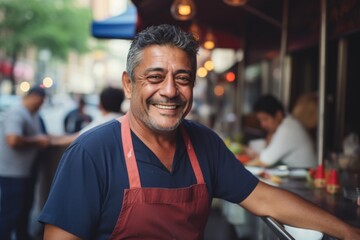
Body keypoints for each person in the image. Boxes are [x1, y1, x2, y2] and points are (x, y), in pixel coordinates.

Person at [38, 24, 360, 239]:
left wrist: (348, 232)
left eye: (182, 78)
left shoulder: (204, 144)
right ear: (128, 84)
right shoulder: (91, 153)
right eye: (155, 77)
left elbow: (265, 199)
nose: (169, 91)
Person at [0, 86, 50, 240]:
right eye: (40, 102)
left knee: (24, 209)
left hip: (25, 171)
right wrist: (37, 141)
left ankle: (22, 235)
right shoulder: (17, 113)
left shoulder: (33, 114)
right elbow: (13, 140)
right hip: (13, 173)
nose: (40, 105)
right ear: (33, 97)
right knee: (11, 212)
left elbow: (43, 136)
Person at [245, 94, 317, 169]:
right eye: (260, 120)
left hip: (305, 177)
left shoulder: (288, 128)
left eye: (265, 119)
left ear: (279, 115)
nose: (262, 124)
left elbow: (264, 161)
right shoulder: (286, 124)